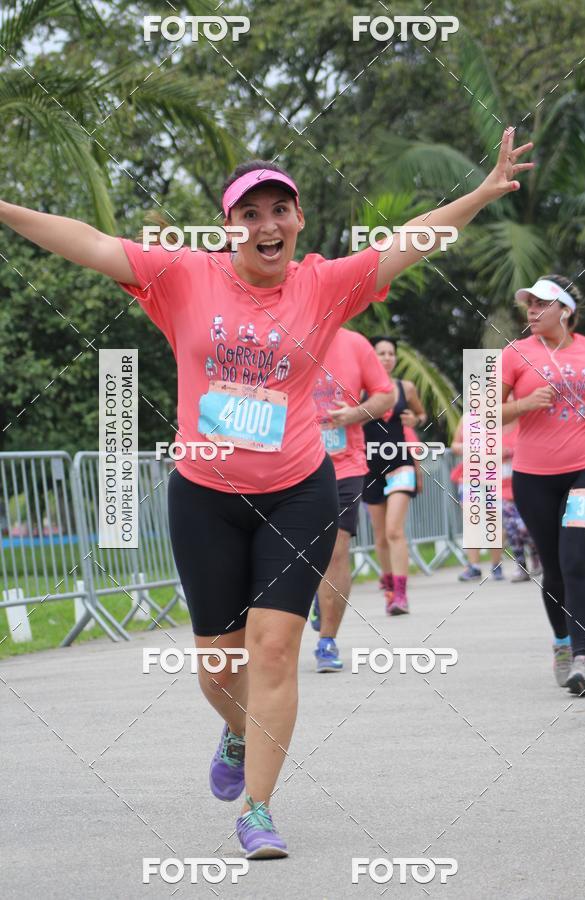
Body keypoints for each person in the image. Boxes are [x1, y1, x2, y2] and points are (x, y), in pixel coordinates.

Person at [0, 126, 533, 857]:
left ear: (299, 220)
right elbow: (88, 242)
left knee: (276, 649)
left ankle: (258, 807)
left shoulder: (323, 282)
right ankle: (238, 731)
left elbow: (411, 240)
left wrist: (480, 191)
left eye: (279, 209)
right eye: (249, 213)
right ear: (229, 227)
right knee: (220, 669)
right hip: (205, 497)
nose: (266, 225)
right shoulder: (182, 275)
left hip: (297, 490)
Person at [502, 275, 585, 695]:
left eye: (543, 304)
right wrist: (524, 404)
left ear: (566, 311)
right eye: (530, 304)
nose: (533, 311)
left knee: (578, 559)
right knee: (554, 569)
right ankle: (562, 643)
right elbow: (484, 412)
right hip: (533, 478)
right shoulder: (514, 353)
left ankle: (582, 658)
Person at [309, 327, 394, 671]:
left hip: (344, 464)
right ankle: (314, 593)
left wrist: (355, 414)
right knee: (297, 553)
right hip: (290, 464)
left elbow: (384, 396)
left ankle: (327, 641)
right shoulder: (281, 332)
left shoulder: (356, 343)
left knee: (336, 548)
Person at [362, 335, 427, 614]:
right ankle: (389, 589)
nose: (387, 357)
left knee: (393, 530)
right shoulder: (358, 389)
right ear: (370, 357)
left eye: (391, 353)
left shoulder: (406, 387)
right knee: (379, 537)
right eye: (381, 353)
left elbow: (422, 415)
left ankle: (401, 595)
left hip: (400, 464)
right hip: (369, 467)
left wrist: (415, 419)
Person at [450, 416, 505, 581]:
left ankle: (496, 564)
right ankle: (473, 566)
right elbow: (455, 445)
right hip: (469, 480)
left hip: (493, 478)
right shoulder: (467, 419)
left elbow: (509, 445)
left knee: (493, 522)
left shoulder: (501, 416)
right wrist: (467, 448)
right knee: (471, 520)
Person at [500, 420, 541, 582]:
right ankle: (521, 566)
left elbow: (534, 449)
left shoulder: (523, 425)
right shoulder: (488, 429)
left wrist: (509, 452)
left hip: (524, 483)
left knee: (525, 528)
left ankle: (536, 555)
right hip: (500, 487)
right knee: (511, 529)